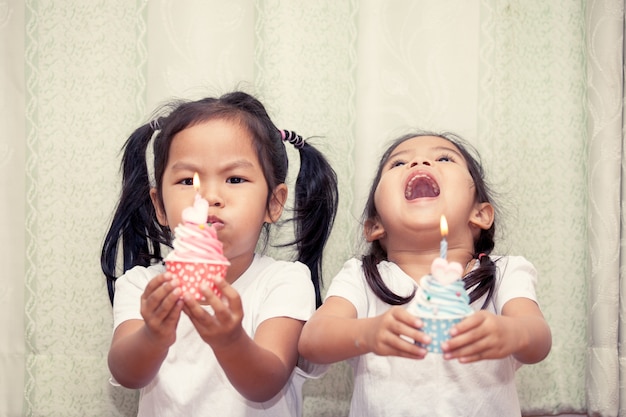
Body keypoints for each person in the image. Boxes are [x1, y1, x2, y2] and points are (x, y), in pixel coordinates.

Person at [100, 91, 338, 416]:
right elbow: (126, 373)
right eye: (187, 180)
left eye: (235, 178)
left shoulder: (284, 282)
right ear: (160, 206)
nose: (209, 196)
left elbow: (267, 382)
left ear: (274, 203)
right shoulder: (143, 285)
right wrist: (153, 334)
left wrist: (230, 341)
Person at [298, 131, 552, 416]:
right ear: (375, 227)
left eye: (444, 158)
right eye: (397, 164)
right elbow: (312, 341)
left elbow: (539, 339)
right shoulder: (361, 277)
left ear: (480, 215)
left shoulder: (504, 272)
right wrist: (366, 333)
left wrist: (511, 333)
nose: (419, 161)